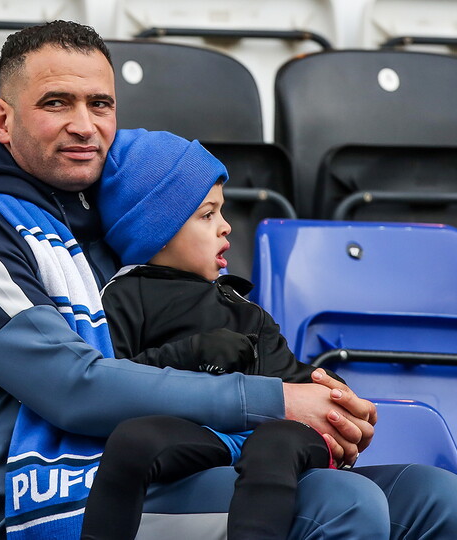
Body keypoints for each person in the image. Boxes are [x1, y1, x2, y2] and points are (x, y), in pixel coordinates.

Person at [0, 19, 457, 539]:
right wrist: (273, 401)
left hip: (176, 457)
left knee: (437, 498)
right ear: (3, 119)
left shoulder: (114, 219)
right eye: (56, 103)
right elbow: (71, 388)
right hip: (44, 496)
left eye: (100, 104)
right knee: (338, 505)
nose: (84, 125)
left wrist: (322, 401)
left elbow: (200, 338)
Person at [79, 128, 337, 540]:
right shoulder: (124, 295)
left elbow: (289, 378)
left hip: (269, 434)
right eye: (207, 214)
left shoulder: (239, 304)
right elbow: (118, 381)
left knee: (277, 443)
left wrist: (332, 393)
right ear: (157, 231)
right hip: (197, 434)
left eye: (222, 212)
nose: (226, 227)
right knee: (133, 439)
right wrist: (192, 354)